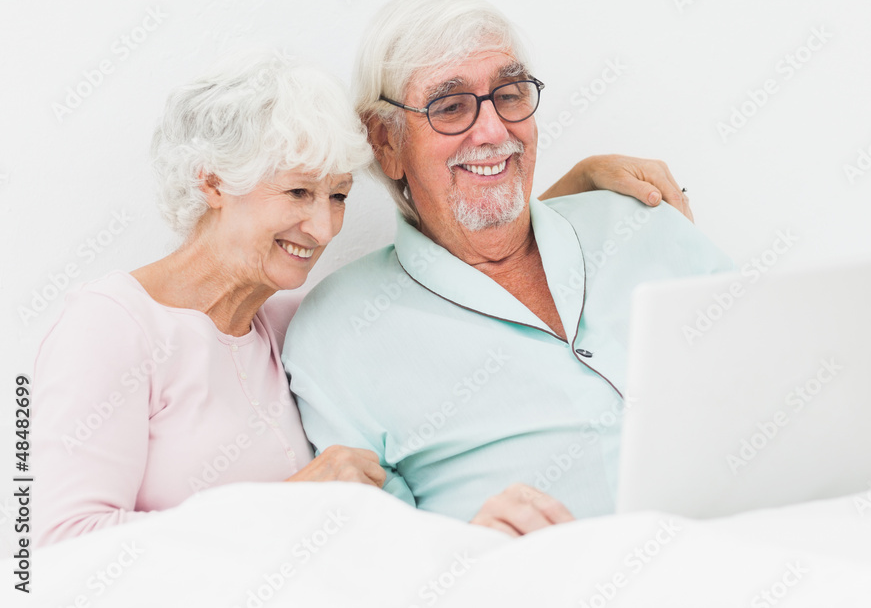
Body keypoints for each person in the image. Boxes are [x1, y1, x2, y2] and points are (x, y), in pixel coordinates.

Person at [33, 49, 694, 546]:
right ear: (212, 183)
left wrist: (577, 185)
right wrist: (286, 502)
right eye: (297, 193)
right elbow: (54, 554)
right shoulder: (109, 325)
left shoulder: (290, 325)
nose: (322, 228)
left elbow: (458, 266)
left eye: (339, 196)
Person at [282, 0, 735, 537]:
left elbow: (777, 372)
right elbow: (383, 556)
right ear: (386, 142)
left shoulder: (643, 222)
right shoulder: (337, 334)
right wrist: (471, 553)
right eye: (450, 107)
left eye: (511, 94)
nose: (494, 131)